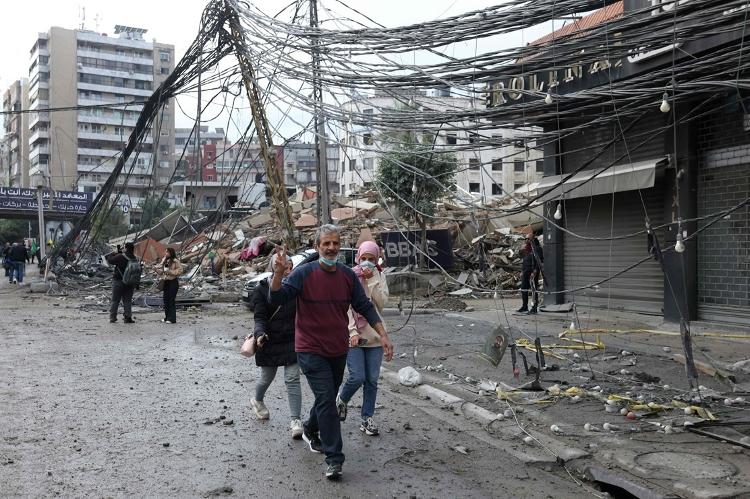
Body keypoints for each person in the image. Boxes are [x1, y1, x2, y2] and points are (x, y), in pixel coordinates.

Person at [269, 224, 394, 481]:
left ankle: (310, 427)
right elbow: (278, 299)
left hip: (338, 349)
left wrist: (383, 335)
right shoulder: (304, 274)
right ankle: (334, 459)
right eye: (326, 243)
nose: (331, 248)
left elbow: (365, 307)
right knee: (327, 398)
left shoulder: (347, 276)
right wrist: (279, 274)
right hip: (310, 348)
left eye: (335, 243)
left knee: (326, 398)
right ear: (317, 247)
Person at [337, 241, 389, 436]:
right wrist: (351, 332)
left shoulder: (380, 275)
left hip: (374, 335)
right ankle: (341, 399)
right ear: (358, 257)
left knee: (372, 380)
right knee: (357, 376)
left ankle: (367, 418)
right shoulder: (349, 275)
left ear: (376, 260)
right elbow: (346, 307)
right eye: (363, 258)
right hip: (353, 335)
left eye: (371, 259)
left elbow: (381, 304)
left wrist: (372, 280)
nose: (366, 263)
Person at [249, 253, 303, 440]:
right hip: (269, 339)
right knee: (267, 377)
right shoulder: (261, 290)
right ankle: (257, 400)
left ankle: (296, 420)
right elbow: (260, 317)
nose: (287, 270)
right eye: (282, 266)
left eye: (289, 266)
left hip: (292, 340)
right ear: (274, 268)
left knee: (292, 378)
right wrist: (260, 334)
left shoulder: (297, 288)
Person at [106, 242, 137, 324]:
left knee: (115, 300)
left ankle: (113, 318)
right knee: (127, 301)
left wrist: (114, 253)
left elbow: (109, 260)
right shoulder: (134, 258)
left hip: (118, 281)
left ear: (126, 248)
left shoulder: (120, 256)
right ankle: (128, 318)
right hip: (130, 282)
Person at [517, 234, 544, 315]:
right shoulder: (527, 249)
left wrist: (535, 271)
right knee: (523, 289)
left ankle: (534, 308)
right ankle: (524, 306)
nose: (526, 240)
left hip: (533, 272)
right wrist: (522, 271)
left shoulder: (537, 248)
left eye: (528, 239)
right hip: (526, 271)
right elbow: (525, 260)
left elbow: (539, 261)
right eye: (525, 239)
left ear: (532, 239)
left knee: (533, 290)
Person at [157, 247, 182, 324]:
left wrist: (170, 271)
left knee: (171, 300)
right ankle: (167, 317)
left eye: (167, 252)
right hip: (165, 282)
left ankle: (172, 319)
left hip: (173, 282)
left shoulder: (175, 261)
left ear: (171, 253)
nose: (166, 253)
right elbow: (161, 270)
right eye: (165, 252)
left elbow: (180, 270)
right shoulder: (164, 260)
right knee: (166, 300)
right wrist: (155, 269)